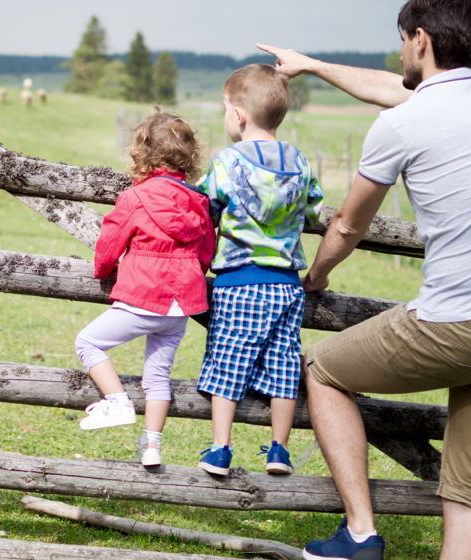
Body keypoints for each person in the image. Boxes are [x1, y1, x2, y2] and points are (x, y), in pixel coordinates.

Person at [258, 0, 471, 560]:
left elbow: (346, 225)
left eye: (402, 39)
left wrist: (314, 279)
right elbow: (392, 89)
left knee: (323, 368)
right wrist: (309, 64)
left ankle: (361, 535)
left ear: (419, 39)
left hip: (458, 326)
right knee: (467, 497)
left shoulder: (400, 126)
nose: (399, 51)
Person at [194, 64, 323, 476]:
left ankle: (220, 448)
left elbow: (205, 205)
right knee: (285, 364)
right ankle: (278, 450)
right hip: (286, 286)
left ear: (239, 115)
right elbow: (315, 207)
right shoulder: (298, 161)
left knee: (228, 360)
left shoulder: (227, 163)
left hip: (238, 281)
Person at [75, 112, 216, 467]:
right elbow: (205, 253)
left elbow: (109, 244)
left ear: (144, 152)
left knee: (88, 343)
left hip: (143, 297)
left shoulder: (136, 197)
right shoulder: (199, 203)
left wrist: (104, 270)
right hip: (180, 307)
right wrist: (188, 278)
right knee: (157, 377)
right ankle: (151, 447)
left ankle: (118, 402)